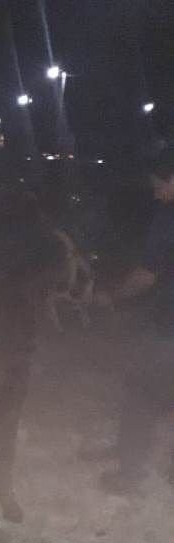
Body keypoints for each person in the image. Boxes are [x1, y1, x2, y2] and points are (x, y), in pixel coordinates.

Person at [96, 147, 174, 492]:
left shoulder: (168, 218)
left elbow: (147, 275)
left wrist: (112, 296)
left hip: (166, 326)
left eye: (161, 184)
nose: (157, 193)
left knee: (141, 393)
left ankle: (129, 475)